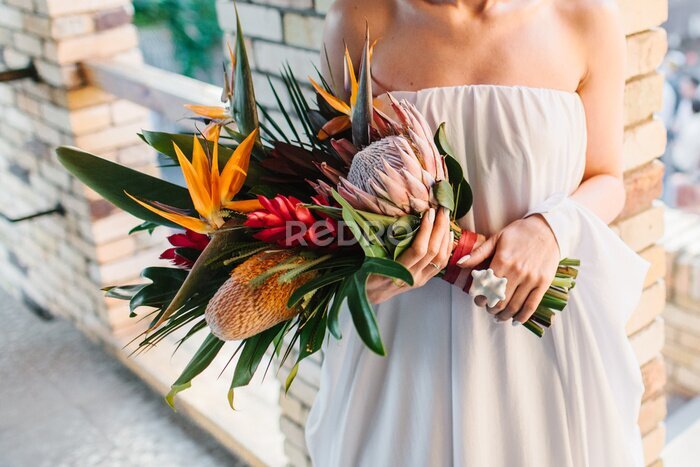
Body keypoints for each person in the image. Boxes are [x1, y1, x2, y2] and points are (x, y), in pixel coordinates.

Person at [305, 1, 650, 466]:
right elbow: (331, 193)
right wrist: (365, 278)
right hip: (402, 351)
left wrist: (551, 228)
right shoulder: (356, 19)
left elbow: (608, 179)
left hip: (540, 344)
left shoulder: (585, 17)